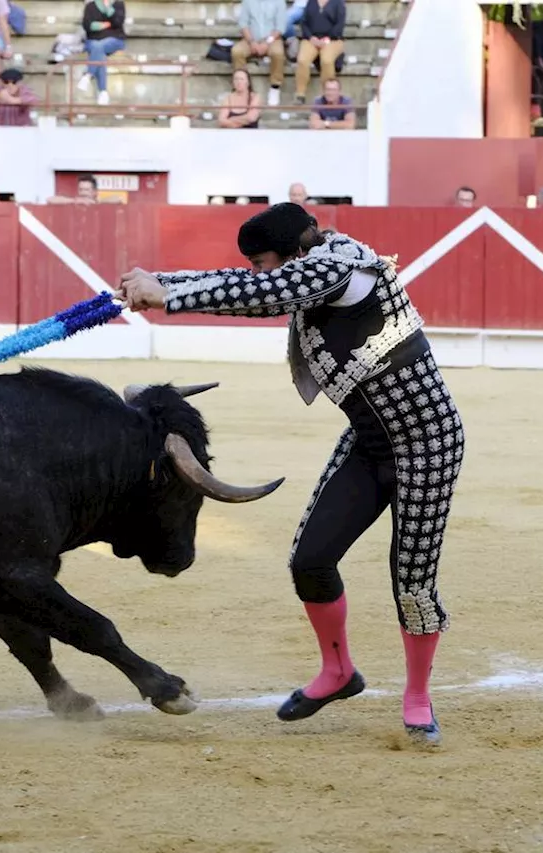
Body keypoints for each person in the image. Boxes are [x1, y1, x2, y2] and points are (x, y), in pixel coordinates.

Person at [114, 203, 465, 746]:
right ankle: (339, 673)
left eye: (261, 261)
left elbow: (263, 292)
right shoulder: (310, 269)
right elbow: (246, 285)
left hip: (428, 446)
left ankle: (417, 695)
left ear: (292, 252)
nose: (257, 272)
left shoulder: (341, 266)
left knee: (413, 582)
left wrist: (172, 295)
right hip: (369, 445)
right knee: (311, 561)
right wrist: (159, 283)